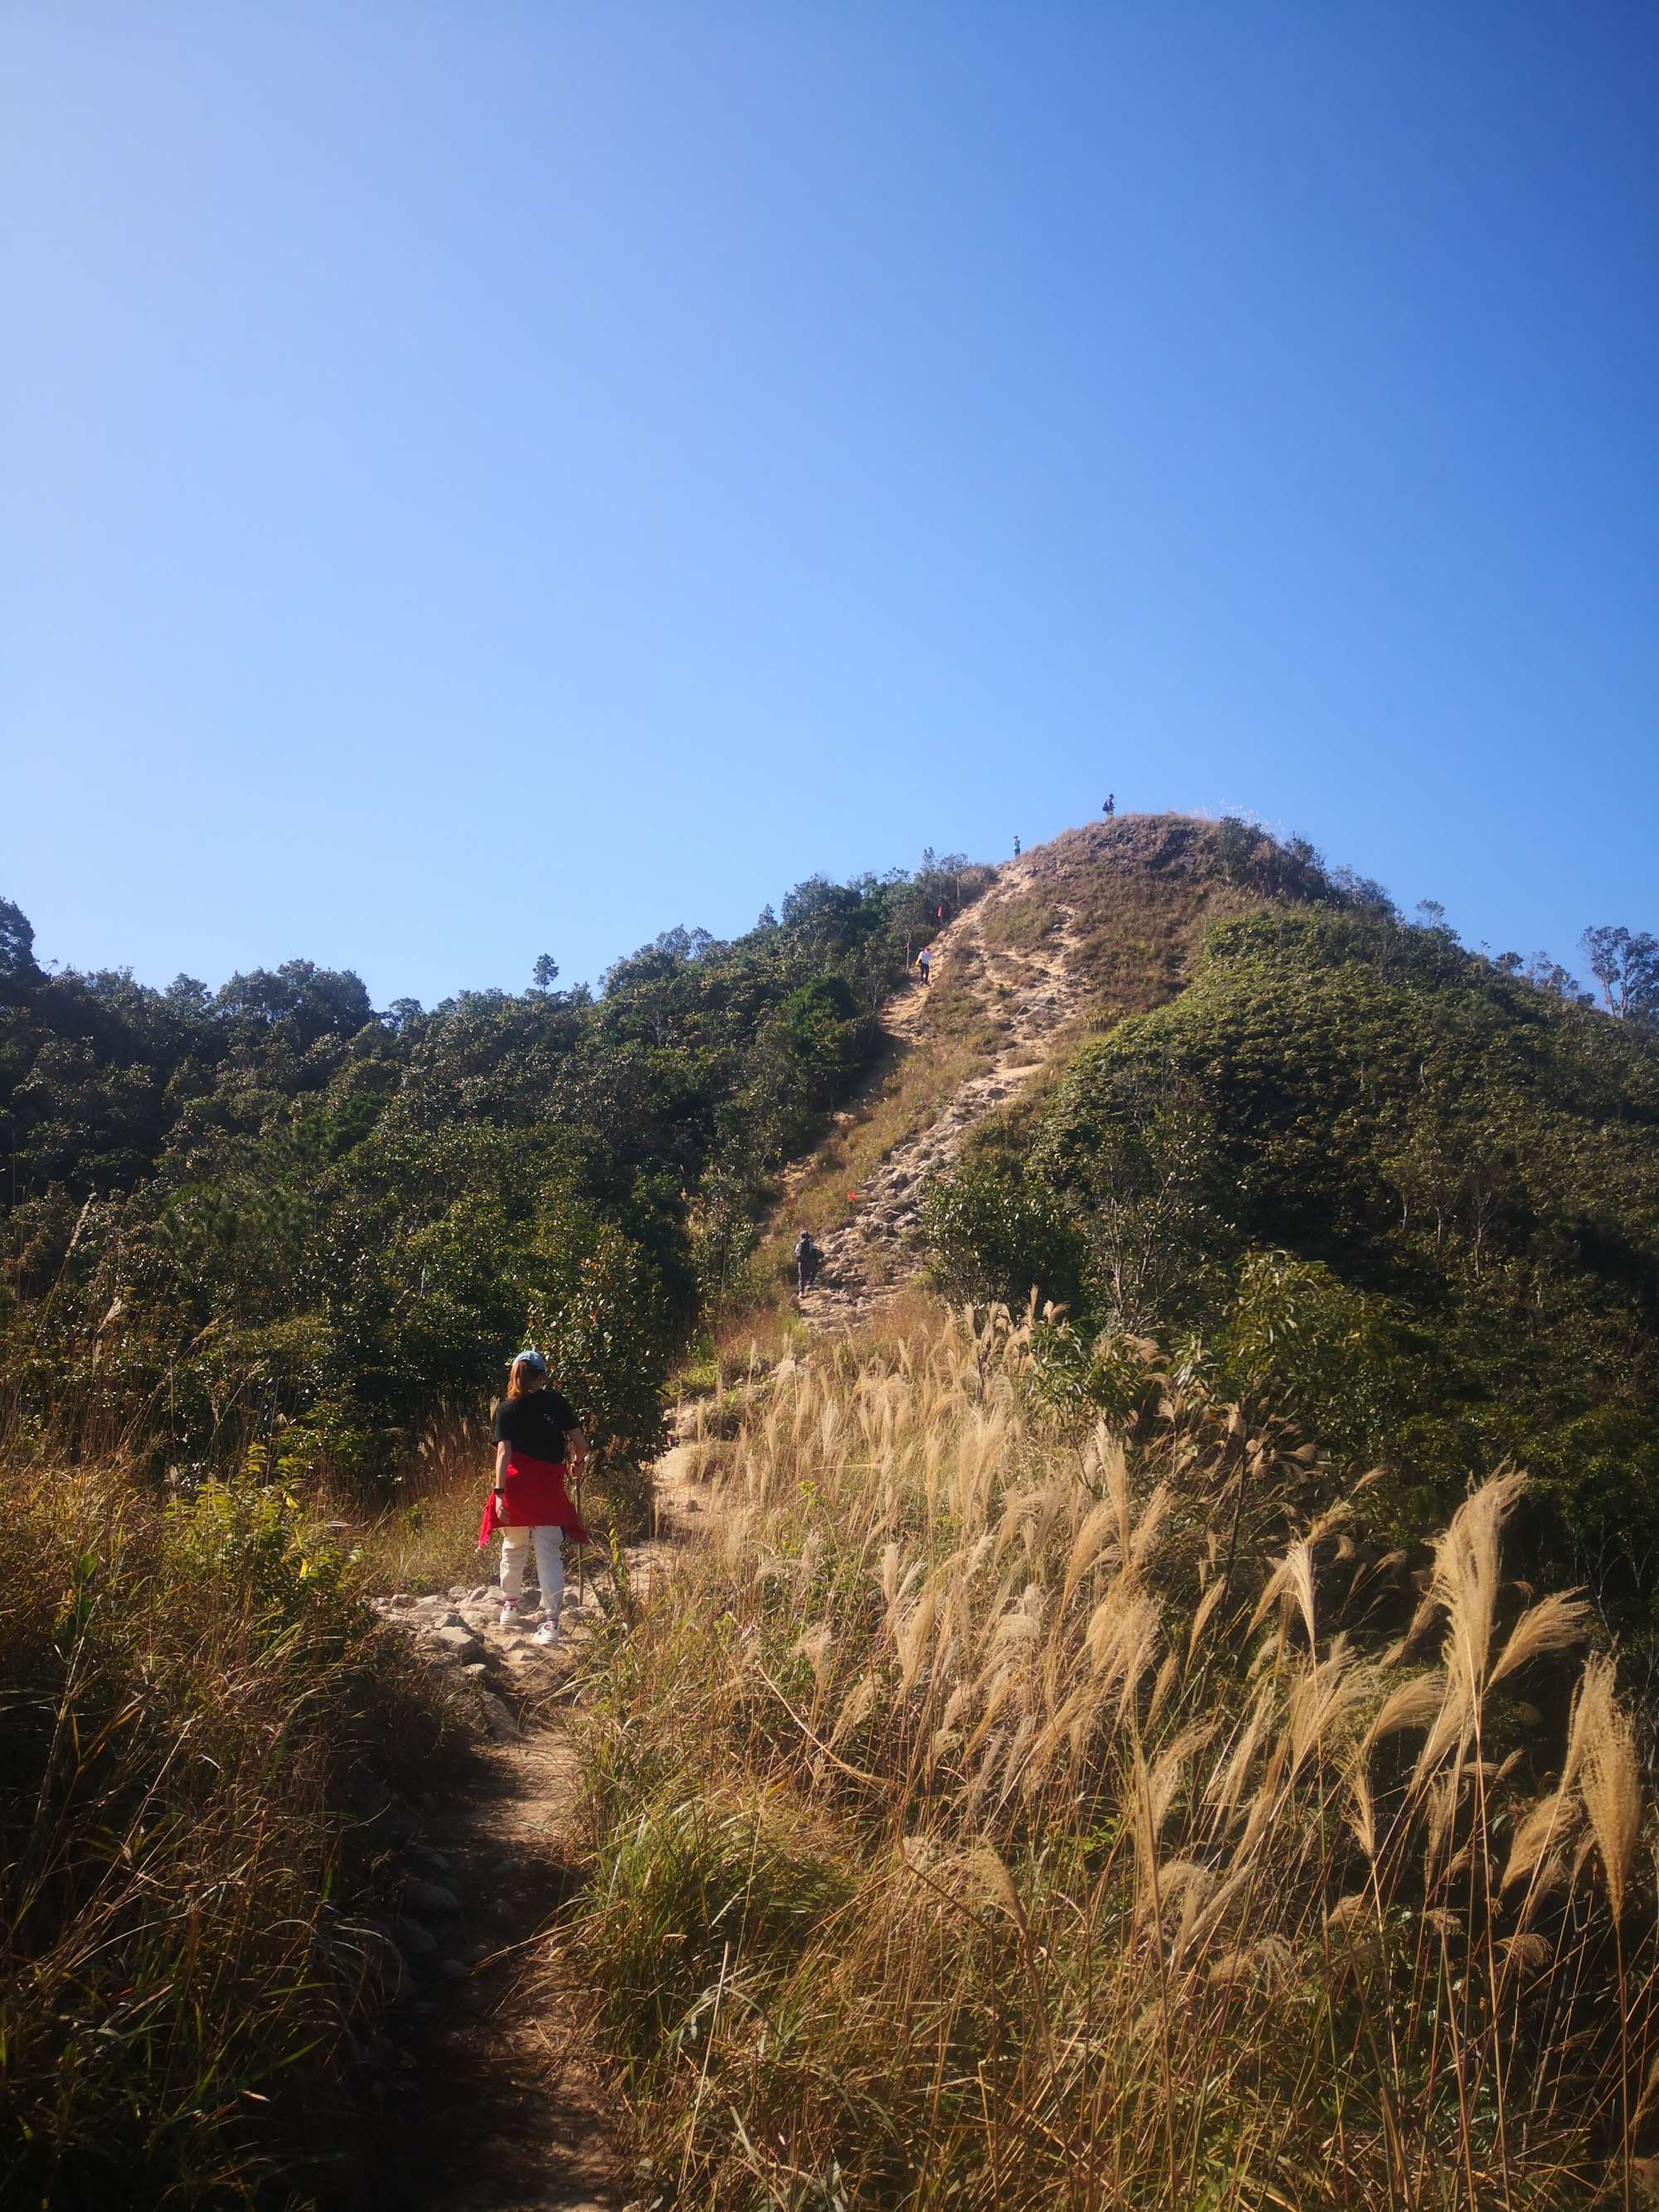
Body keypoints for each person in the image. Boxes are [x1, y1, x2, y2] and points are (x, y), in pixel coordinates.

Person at [478, 1349, 589, 1644]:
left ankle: (510, 1608)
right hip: (547, 1489)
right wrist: (577, 1464)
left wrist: (499, 1493)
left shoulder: (505, 1409)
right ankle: (551, 1623)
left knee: (513, 1547)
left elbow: (504, 1453)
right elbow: (581, 1444)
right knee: (548, 1554)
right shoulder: (556, 1402)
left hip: (515, 1488)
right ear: (541, 1376)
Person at [795, 1229, 820, 1296]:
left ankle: (801, 1292)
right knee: (814, 1271)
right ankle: (809, 1284)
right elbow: (813, 1253)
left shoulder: (798, 1244)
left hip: (801, 1262)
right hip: (809, 1261)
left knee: (801, 1277)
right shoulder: (811, 1244)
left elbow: (796, 1253)